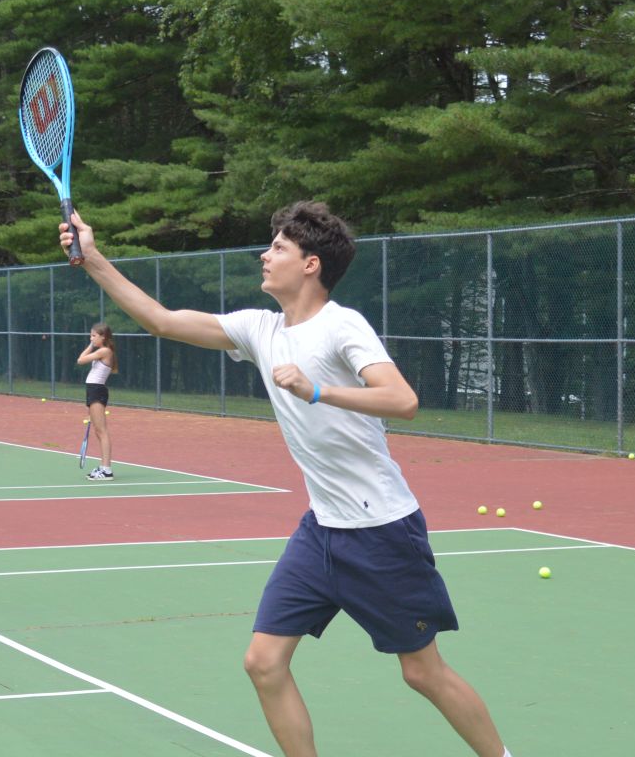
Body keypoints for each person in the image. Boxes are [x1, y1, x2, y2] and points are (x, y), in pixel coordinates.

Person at [61, 203, 513, 757]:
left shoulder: (342, 326)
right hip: (321, 531)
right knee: (263, 662)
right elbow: (161, 319)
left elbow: (403, 400)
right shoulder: (260, 329)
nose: (264, 254)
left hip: (381, 531)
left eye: (277, 247)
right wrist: (93, 259)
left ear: (310, 264)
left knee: (422, 673)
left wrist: (316, 390)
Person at [77, 322, 118, 480]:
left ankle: (107, 469)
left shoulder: (105, 351)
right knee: (98, 431)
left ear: (103, 337)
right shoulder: (101, 350)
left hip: (97, 391)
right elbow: (81, 359)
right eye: (91, 335)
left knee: (102, 431)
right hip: (93, 391)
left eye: (94, 335)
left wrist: (91, 346)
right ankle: (103, 466)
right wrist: (92, 344)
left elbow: (81, 360)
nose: (91, 338)